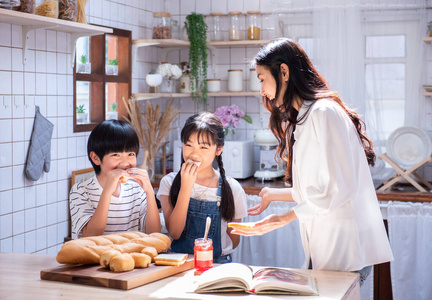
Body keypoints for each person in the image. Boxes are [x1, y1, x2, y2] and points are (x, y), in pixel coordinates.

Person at [231, 38, 393, 284]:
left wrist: (282, 218)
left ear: (283, 71)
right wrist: (273, 195)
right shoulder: (304, 119)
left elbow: (340, 189)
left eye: (262, 79)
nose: (262, 90)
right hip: (322, 247)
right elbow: (316, 190)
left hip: (344, 250)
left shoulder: (324, 113)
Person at [157, 112, 248, 263]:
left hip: (218, 264)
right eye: (188, 145)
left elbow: (234, 241)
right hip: (179, 262)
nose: (194, 154)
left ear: (218, 149)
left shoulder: (232, 188)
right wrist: (186, 187)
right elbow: (174, 232)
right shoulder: (169, 182)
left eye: (203, 147)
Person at [69, 120, 161, 239]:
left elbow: (154, 234)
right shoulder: (80, 191)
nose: (125, 162)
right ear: (96, 158)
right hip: (94, 257)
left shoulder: (136, 189)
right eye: (116, 155)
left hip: (130, 256)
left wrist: (149, 191)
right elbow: (91, 234)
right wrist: (107, 191)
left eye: (130, 154)